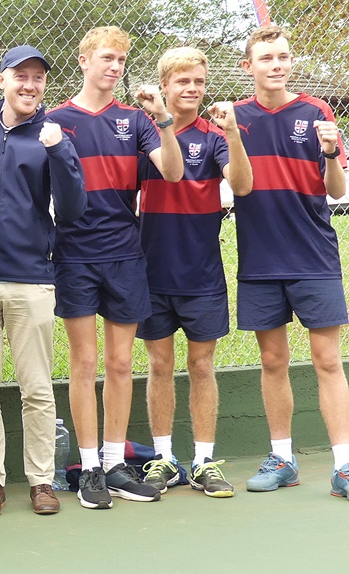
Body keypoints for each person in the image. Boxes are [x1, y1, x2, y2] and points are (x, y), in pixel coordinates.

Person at [46, 25, 183, 509]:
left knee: (121, 363)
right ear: (83, 60)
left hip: (126, 254)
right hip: (75, 255)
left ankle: (114, 464)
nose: (114, 67)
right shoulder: (55, 118)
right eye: (106, 57)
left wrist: (163, 118)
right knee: (84, 363)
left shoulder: (137, 120)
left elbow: (172, 171)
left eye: (121, 61)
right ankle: (88, 470)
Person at [0, 45, 86, 518]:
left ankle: (40, 481)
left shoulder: (52, 135)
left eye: (38, 78)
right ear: (1, 80)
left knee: (36, 387)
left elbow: (72, 210)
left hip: (31, 279)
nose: (30, 85)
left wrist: (61, 150)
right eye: (21, 76)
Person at [230, 25, 349, 494]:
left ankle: (344, 465)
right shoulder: (234, 117)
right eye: (265, 59)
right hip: (259, 261)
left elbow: (337, 190)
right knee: (273, 359)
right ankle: (283, 458)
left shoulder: (317, 111)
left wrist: (332, 151)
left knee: (327, 360)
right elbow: (236, 184)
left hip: (313, 257)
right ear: (248, 67)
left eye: (282, 57)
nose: (276, 65)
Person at [137, 47, 252, 499]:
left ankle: (204, 461)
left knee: (202, 365)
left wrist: (234, 133)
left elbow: (241, 186)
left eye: (199, 83)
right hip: (149, 271)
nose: (191, 90)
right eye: (182, 81)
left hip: (202, 275)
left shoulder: (216, 135)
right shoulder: (144, 134)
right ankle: (163, 457)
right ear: (164, 85)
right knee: (160, 364)